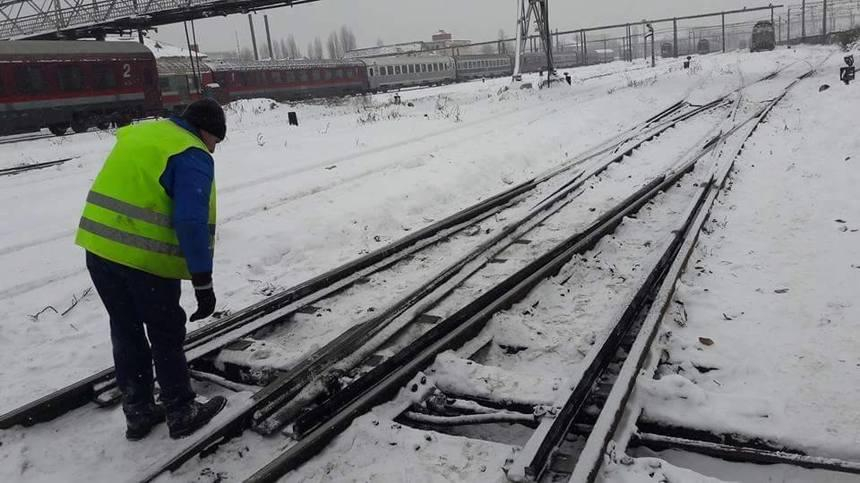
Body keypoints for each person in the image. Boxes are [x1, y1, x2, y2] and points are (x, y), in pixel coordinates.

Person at [75, 99, 228, 440]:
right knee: (165, 332)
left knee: (126, 330)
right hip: (144, 259)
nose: (214, 149)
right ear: (205, 130)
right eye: (216, 141)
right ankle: (180, 409)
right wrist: (203, 281)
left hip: (99, 249)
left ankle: (139, 411)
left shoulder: (145, 135)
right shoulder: (190, 152)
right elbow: (190, 221)